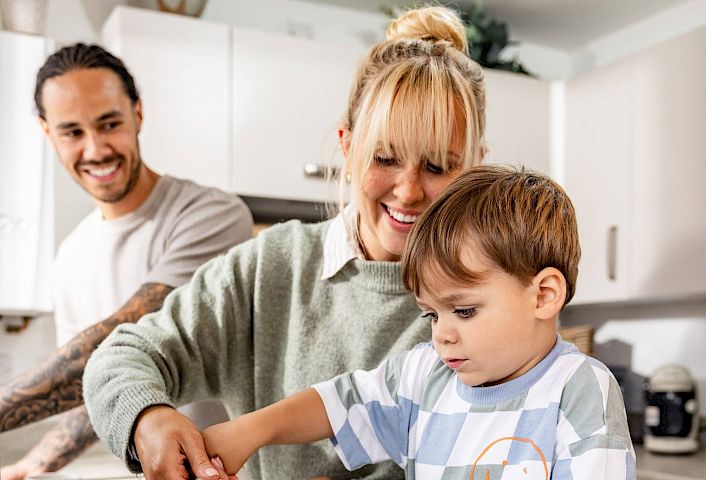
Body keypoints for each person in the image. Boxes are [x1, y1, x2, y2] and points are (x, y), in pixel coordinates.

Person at [83, 5, 487, 480]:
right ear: (347, 149)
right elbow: (121, 357)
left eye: (438, 166)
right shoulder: (272, 267)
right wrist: (147, 422)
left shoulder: (486, 302)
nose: (409, 190)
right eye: (385, 158)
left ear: (474, 167)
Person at [200, 166, 637, 480]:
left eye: (464, 310)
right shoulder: (425, 374)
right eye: (431, 314)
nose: (442, 334)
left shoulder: (579, 390)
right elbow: (339, 404)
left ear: (543, 295)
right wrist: (248, 432)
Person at [0, 44, 253, 480]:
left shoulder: (211, 215)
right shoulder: (70, 258)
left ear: (138, 114)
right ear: (47, 133)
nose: (95, 149)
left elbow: (120, 345)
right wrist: (31, 466)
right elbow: (96, 389)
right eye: (72, 132)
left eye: (109, 123)